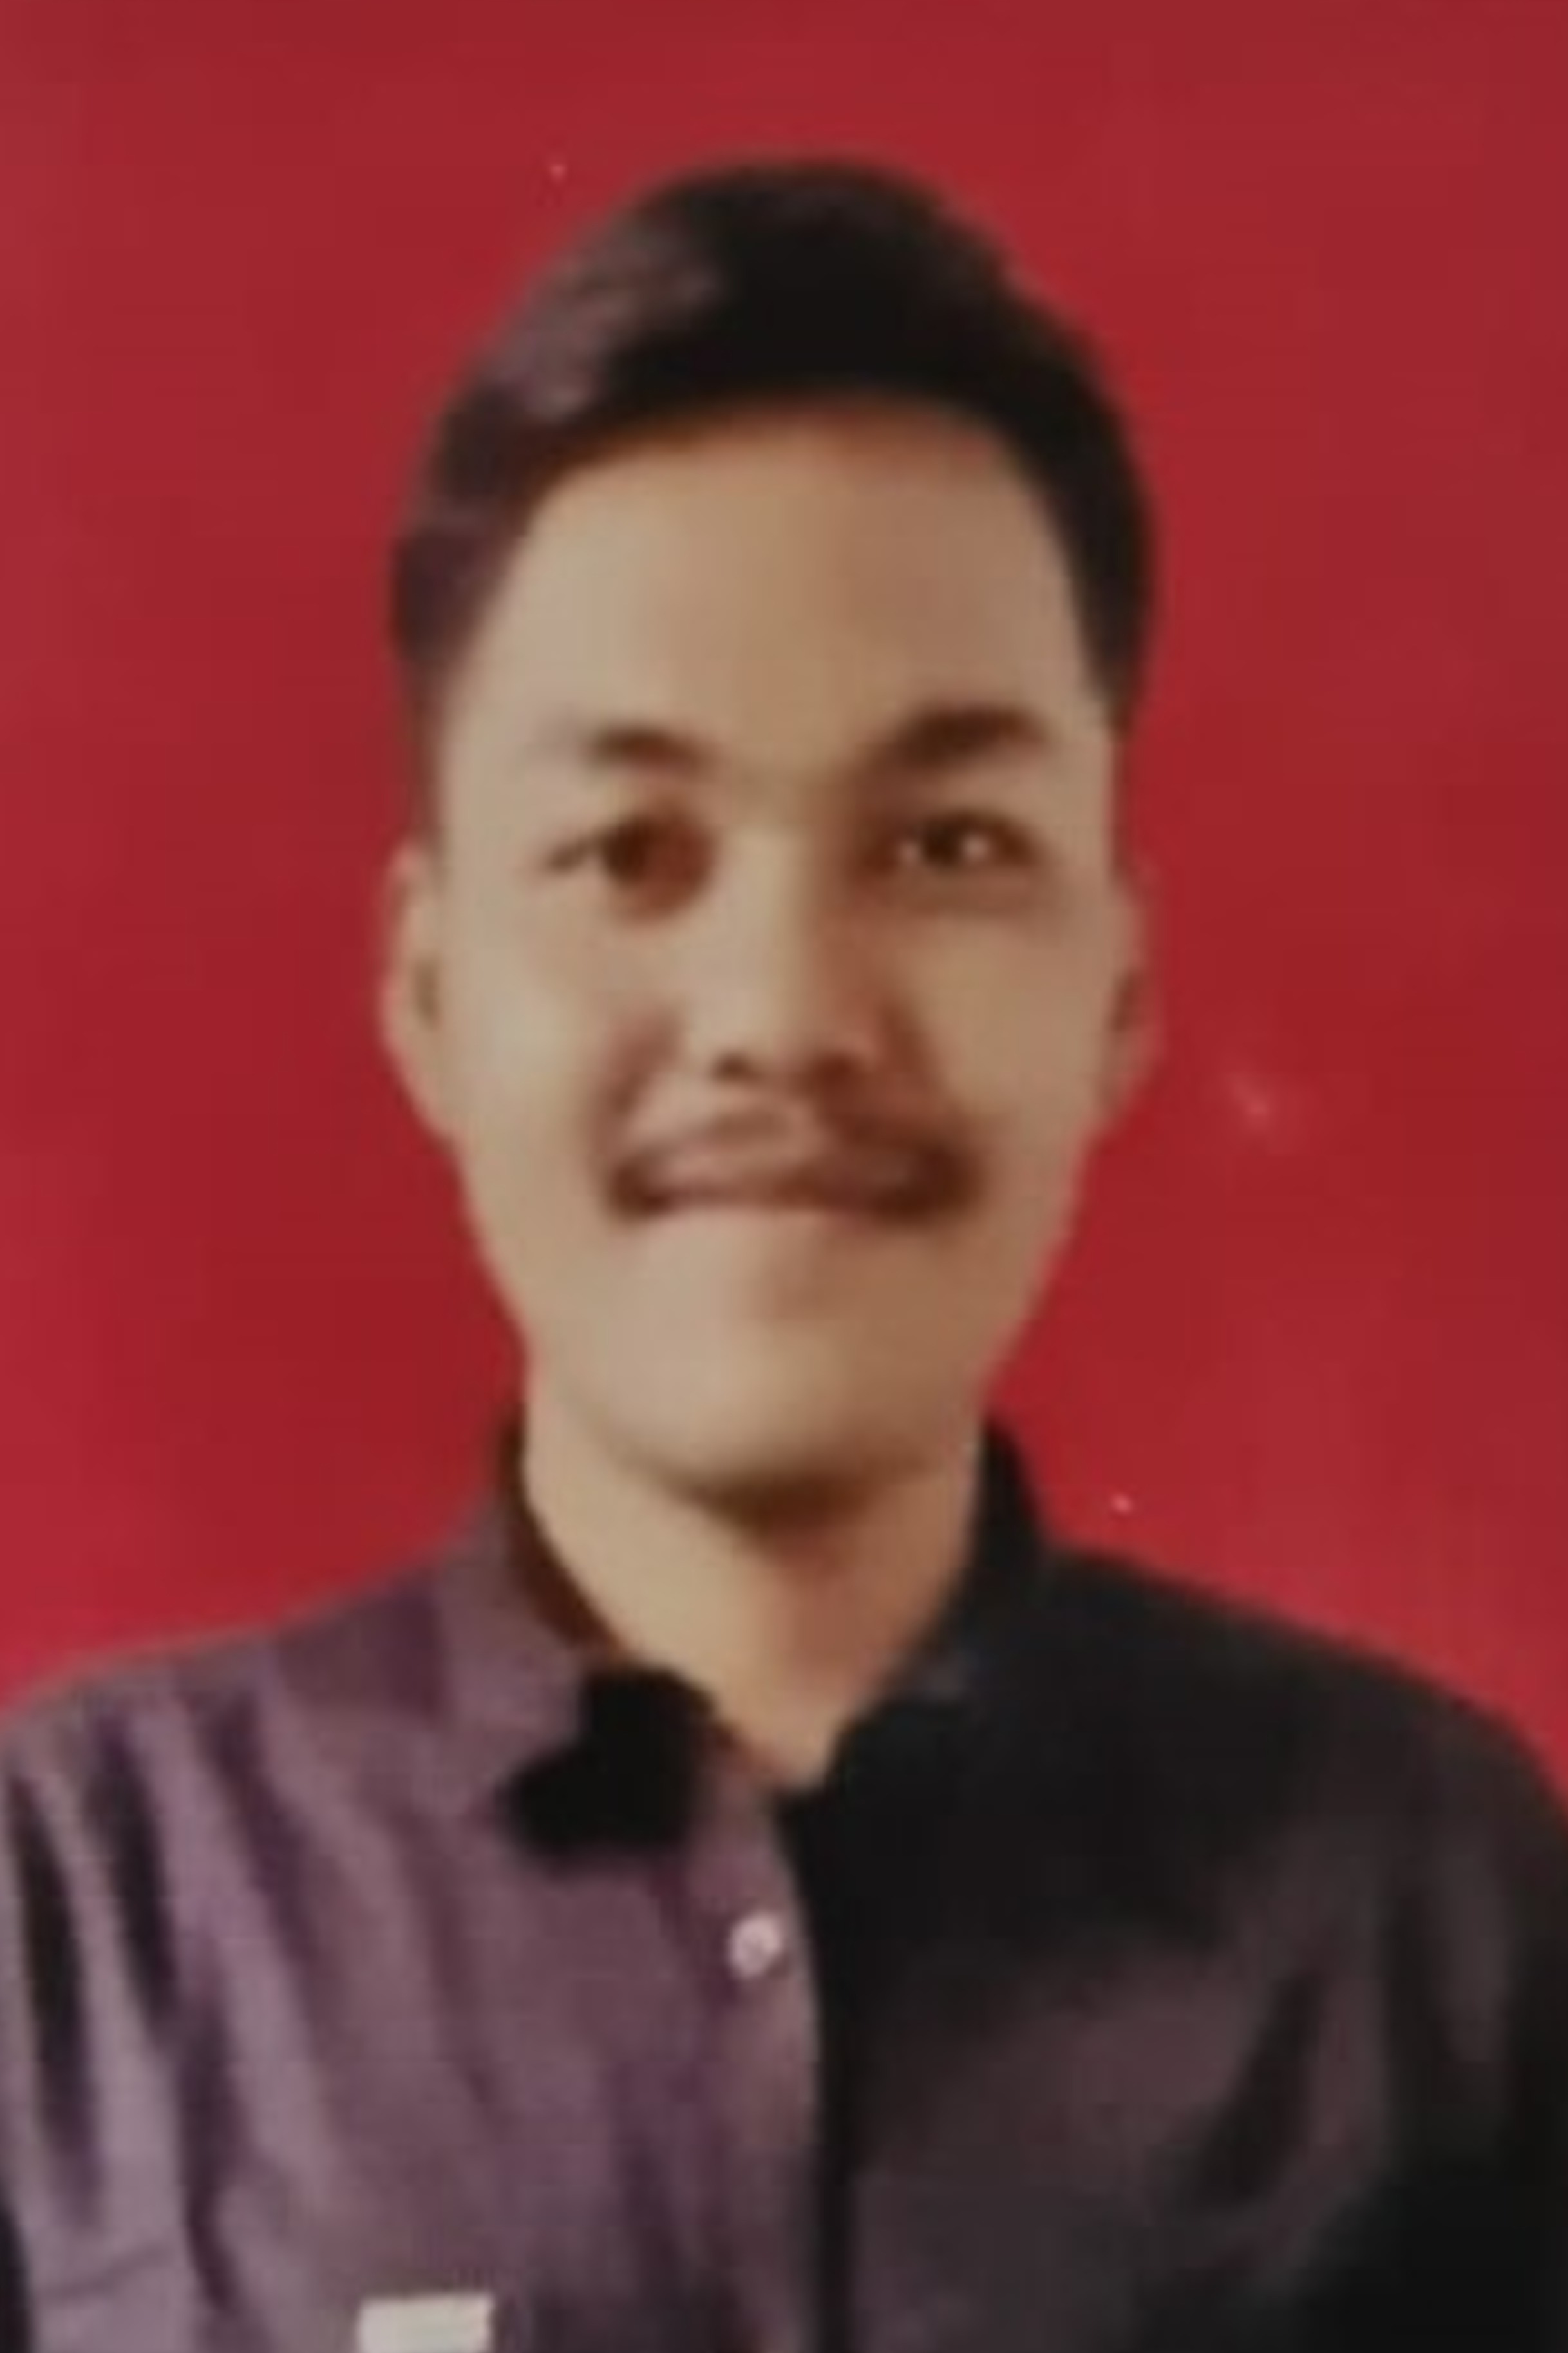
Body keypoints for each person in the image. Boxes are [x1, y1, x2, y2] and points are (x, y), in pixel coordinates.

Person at [2, 155, 1565, 2353]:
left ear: (1117, 988)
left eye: (946, 843)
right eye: (629, 849)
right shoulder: (78, 1924)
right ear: (430, 991)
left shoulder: (1430, 1914)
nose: (780, 1014)